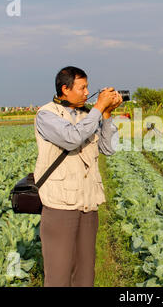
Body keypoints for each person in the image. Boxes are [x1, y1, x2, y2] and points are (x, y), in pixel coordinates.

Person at [33, 66, 122, 287]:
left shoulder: (87, 115)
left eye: (88, 87)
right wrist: (98, 108)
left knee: (85, 276)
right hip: (60, 204)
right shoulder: (47, 115)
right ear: (65, 88)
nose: (87, 92)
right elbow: (72, 138)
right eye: (82, 87)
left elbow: (109, 149)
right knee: (59, 275)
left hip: (88, 202)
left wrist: (107, 115)